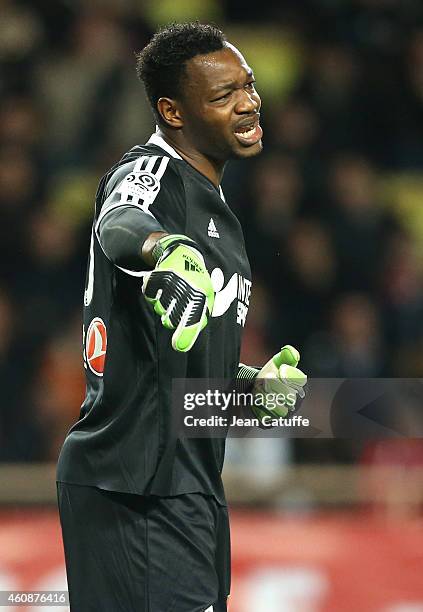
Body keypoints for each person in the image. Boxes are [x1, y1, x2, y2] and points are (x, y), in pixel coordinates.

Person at [56, 22, 306, 612]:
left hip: (185, 486)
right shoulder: (154, 172)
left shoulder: (221, 216)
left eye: (248, 86)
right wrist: (161, 250)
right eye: (222, 96)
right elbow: (119, 221)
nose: (247, 103)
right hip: (137, 487)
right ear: (173, 111)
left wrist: (250, 388)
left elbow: (179, 382)